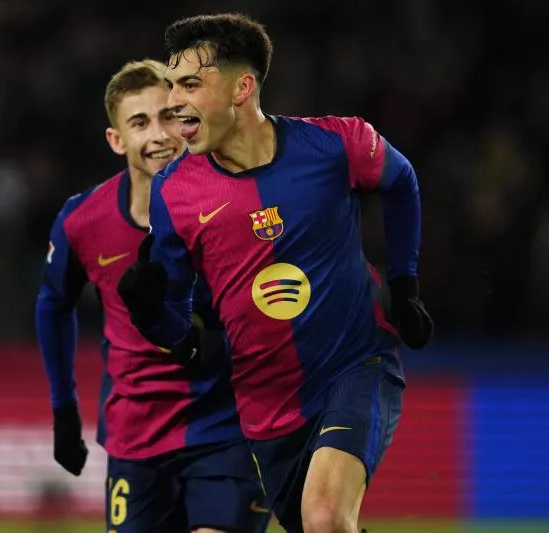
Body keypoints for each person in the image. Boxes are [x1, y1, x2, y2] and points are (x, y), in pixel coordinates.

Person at [117, 14, 433, 533]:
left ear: (242, 88)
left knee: (326, 518)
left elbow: (402, 182)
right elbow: (182, 328)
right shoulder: (174, 191)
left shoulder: (336, 145)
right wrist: (152, 316)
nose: (173, 100)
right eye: (171, 85)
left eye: (190, 84)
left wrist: (404, 284)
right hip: (267, 408)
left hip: (356, 365)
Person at [35, 59, 270, 533]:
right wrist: (63, 410)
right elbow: (53, 305)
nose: (159, 134)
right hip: (135, 439)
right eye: (140, 123)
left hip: (227, 427)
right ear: (117, 140)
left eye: (168, 117)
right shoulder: (83, 220)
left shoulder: (237, 203)